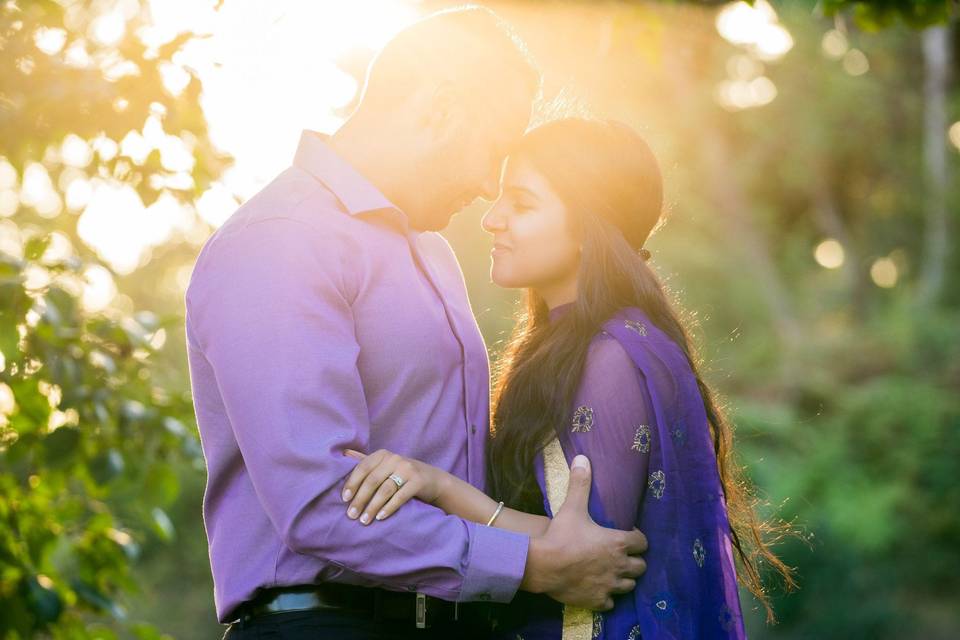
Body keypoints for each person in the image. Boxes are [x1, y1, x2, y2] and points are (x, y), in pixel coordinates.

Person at [185, 9, 649, 640]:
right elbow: (322, 502)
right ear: (441, 108)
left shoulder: (432, 252)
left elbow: (452, 469)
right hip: (327, 627)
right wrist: (533, 564)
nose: (492, 187)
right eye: (494, 150)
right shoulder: (282, 240)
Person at [342, 118, 796, 638]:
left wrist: (439, 485)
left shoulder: (611, 357)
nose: (492, 219)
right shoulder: (558, 347)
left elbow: (590, 553)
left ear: (586, 227)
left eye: (523, 203)